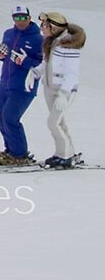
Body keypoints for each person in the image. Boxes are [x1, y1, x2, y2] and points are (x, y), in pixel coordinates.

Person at [0, 5, 44, 164]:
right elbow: (5, 56)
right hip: (6, 83)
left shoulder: (39, 39)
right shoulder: (8, 34)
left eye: (23, 17)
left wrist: (24, 61)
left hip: (24, 86)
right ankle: (10, 151)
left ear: (30, 18)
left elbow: (44, 64)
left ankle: (20, 155)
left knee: (10, 118)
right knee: (2, 117)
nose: (20, 21)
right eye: (17, 18)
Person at [37, 12, 84, 168]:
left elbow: (71, 74)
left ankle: (65, 156)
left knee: (53, 123)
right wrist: (35, 72)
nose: (42, 28)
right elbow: (47, 64)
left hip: (63, 91)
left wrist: (64, 94)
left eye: (45, 25)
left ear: (54, 27)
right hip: (50, 88)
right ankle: (66, 152)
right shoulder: (51, 42)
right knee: (60, 123)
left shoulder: (68, 46)